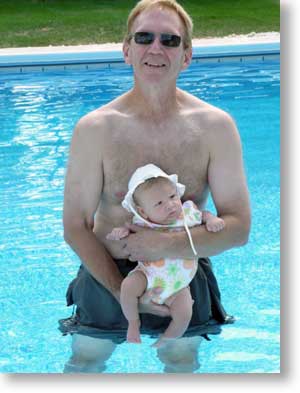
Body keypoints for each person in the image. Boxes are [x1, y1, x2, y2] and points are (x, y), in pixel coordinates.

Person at [61, 0, 251, 373]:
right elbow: (75, 226)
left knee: (181, 360)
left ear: (187, 55)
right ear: (127, 50)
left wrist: (163, 245)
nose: (156, 48)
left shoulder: (215, 127)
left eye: (170, 40)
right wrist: (123, 292)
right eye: (144, 37)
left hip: (183, 272)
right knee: (86, 359)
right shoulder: (95, 129)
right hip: (106, 273)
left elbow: (239, 227)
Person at [106, 164, 225, 347]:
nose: (170, 204)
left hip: (179, 285)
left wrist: (212, 220)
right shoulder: (144, 222)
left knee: (185, 313)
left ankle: (167, 338)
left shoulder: (187, 214)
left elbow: (203, 214)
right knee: (128, 287)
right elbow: (127, 229)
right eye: (159, 203)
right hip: (148, 276)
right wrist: (120, 232)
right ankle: (133, 322)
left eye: (172, 196)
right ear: (144, 212)